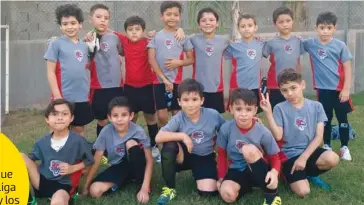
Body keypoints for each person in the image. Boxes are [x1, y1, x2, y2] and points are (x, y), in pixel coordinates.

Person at [114, 15, 184, 163]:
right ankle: (129, 146)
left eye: (137, 29)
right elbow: (106, 31)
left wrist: (180, 29)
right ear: (125, 32)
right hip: (129, 88)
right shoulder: (124, 41)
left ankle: (153, 146)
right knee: (130, 118)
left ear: (143, 31)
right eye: (130, 30)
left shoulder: (150, 41)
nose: (134, 32)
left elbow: (166, 34)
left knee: (151, 118)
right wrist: (91, 32)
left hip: (147, 87)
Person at [261, 68, 339, 197]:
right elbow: (278, 136)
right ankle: (286, 174)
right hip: (289, 155)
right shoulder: (279, 108)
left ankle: (309, 173)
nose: (289, 93)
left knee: (332, 158)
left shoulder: (316, 106)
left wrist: (303, 157)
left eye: (293, 88)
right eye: (284, 90)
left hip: (309, 151)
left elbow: (319, 136)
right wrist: (268, 113)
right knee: (303, 192)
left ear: (302, 85)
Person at [155, 78, 225, 205]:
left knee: (208, 193)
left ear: (202, 100)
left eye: (194, 99)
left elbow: (226, 131)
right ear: (179, 102)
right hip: (184, 155)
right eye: (186, 100)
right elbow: (158, 137)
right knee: (169, 146)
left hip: (205, 156)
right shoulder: (178, 118)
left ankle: (199, 173)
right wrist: (182, 136)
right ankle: (170, 188)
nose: (190, 104)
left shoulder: (213, 115)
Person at [82, 96, 153, 204]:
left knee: (131, 144)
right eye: (115, 115)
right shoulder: (106, 132)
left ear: (131, 116)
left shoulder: (138, 131)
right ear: (109, 117)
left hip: (137, 164)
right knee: (94, 191)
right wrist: (86, 186)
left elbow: (149, 160)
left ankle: (140, 181)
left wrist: (144, 188)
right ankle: (125, 180)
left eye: (124, 115)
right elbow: (96, 160)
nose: (119, 119)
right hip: (119, 166)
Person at [302, 11, 353, 161]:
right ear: (316, 28)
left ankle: (344, 147)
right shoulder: (311, 44)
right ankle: (327, 145)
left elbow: (347, 67)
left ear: (334, 28)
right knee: (326, 119)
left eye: (329, 28)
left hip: (339, 89)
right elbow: (293, 43)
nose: (325, 31)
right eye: (322, 27)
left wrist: (346, 89)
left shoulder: (340, 46)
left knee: (342, 118)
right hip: (323, 90)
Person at [23, 98, 94, 205]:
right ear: (47, 119)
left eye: (64, 114)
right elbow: (31, 159)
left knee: (58, 201)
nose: (60, 117)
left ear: (71, 118)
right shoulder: (41, 142)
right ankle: (28, 198)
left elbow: (89, 160)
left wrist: (73, 168)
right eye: (55, 114)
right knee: (20, 157)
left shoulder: (78, 141)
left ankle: (63, 198)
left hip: (63, 185)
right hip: (41, 182)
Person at [217, 88, 282, 205]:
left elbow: (275, 156)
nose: (243, 114)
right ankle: (247, 186)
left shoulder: (263, 131)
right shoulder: (226, 129)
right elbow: (221, 154)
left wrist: (274, 172)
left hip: (258, 169)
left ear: (255, 111)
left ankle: (272, 195)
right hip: (236, 169)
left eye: (248, 109)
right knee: (227, 195)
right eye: (238, 109)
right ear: (231, 109)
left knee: (248, 149)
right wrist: (221, 178)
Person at [44, 4, 93, 137]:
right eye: (65, 24)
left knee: (79, 129)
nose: (69, 27)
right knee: (58, 128)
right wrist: (57, 96)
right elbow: (50, 72)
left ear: (80, 24)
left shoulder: (84, 46)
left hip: (81, 96)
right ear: (60, 26)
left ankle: (80, 156)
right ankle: (55, 155)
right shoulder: (56, 44)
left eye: (73, 23)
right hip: (63, 96)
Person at [148, 1, 194, 127]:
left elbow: (191, 59)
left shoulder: (183, 37)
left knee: (177, 114)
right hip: (159, 81)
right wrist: (163, 78)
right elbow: (151, 60)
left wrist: (178, 62)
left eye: (175, 14)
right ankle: (164, 138)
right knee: (162, 116)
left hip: (176, 81)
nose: (172, 17)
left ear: (179, 17)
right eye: (168, 14)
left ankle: (177, 140)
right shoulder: (155, 36)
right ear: (161, 16)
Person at [87, 4, 124, 138]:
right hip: (99, 87)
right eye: (98, 17)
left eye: (106, 18)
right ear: (90, 19)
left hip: (117, 86)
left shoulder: (116, 36)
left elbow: (129, 47)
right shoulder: (88, 39)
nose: (103, 20)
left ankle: (118, 147)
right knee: (102, 120)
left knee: (118, 119)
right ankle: (102, 152)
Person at [262, 6, 305, 109]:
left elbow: (297, 62)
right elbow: (260, 55)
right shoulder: (270, 42)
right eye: (281, 22)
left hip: (293, 82)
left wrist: (299, 79)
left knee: (294, 109)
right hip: (275, 84)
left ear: (292, 21)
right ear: (275, 24)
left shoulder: (298, 41)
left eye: (288, 21)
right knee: (276, 110)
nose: (285, 24)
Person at [189, 7, 230, 113]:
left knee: (216, 117)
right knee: (198, 117)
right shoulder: (193, 39)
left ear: (217, 23)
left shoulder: (224, 40)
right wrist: (179, 30)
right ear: (199, 25)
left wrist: (256, 39)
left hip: (216, 87)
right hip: (198, 87)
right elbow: (176, 41)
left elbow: (241, 47)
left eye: (211, 20)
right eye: (203, 20)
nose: (207, 23)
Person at [225, 14, 265, 112]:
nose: (246, 29)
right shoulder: (233, 46)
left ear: (255, 27)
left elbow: (275, 44)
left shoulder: (262, 44)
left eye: (250, 25)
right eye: (243, 26)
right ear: (238, 28)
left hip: (255, 85)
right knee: (238, 111)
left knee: (253, 111)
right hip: (238, 85)